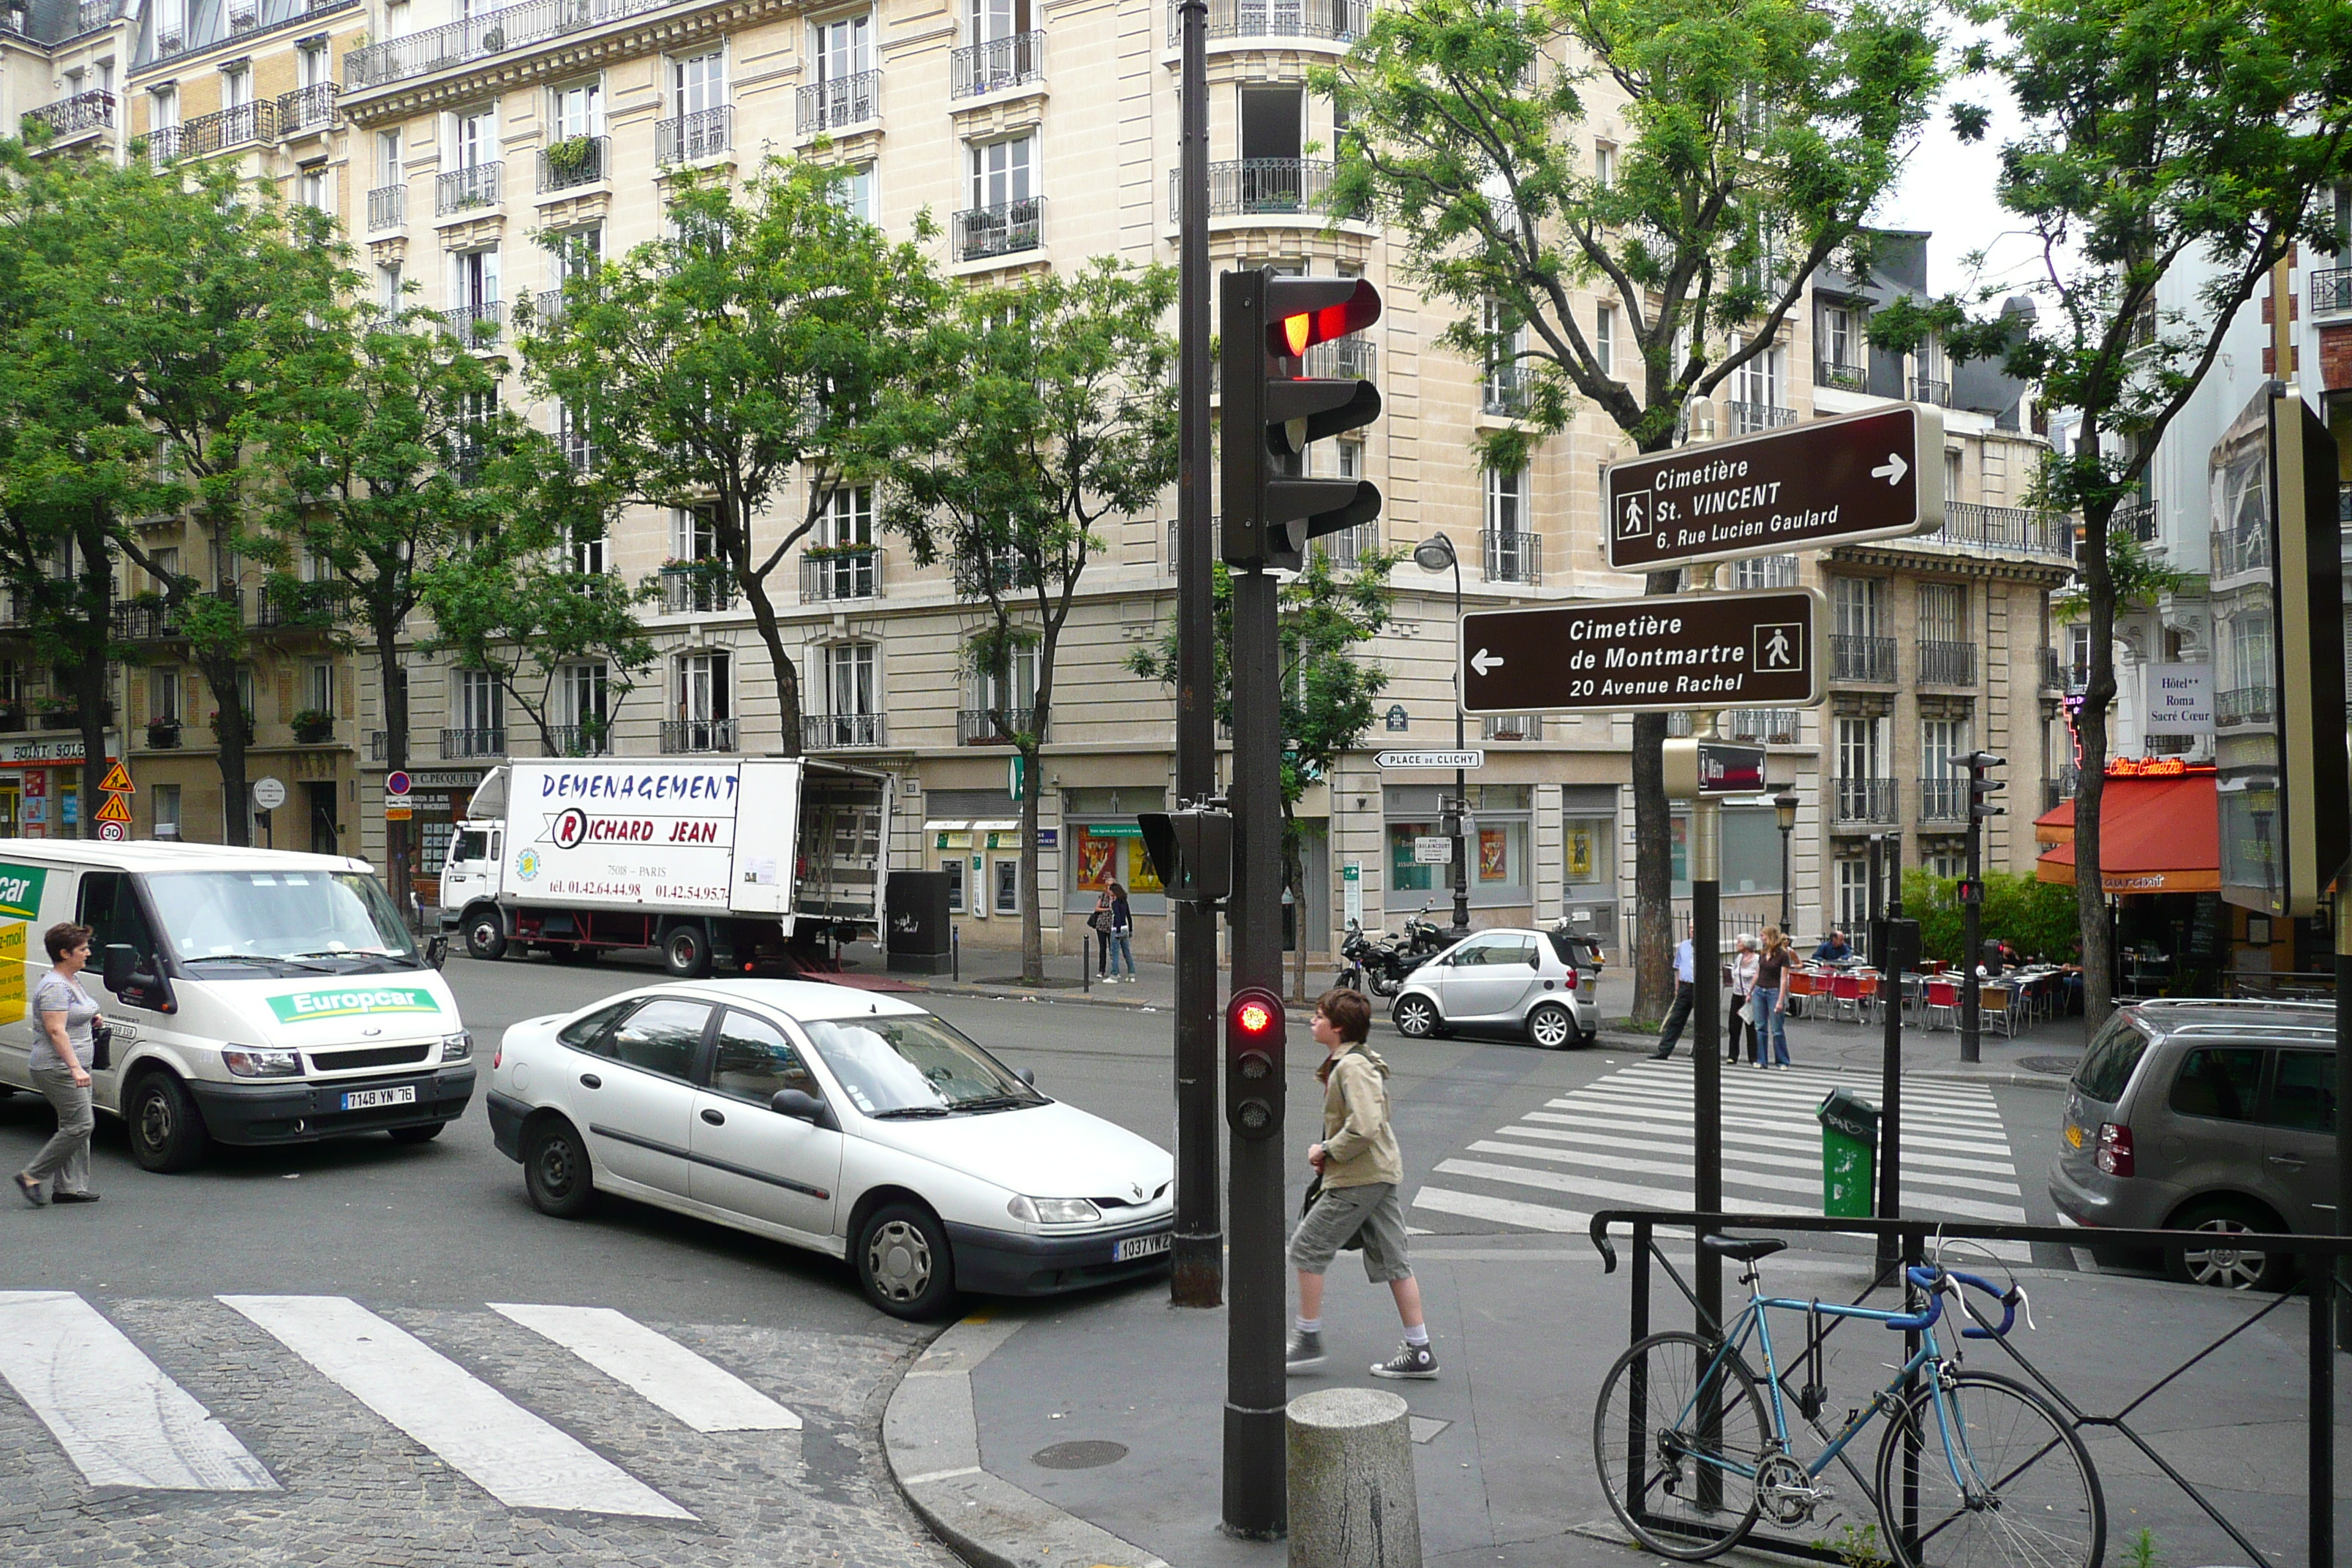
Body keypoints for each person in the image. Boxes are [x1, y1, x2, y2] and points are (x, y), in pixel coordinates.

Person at [1286, 988, 1437, 1381]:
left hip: (1359, 1178)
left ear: (1337, 1027)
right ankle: (1419, 1349)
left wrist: (1327, 1151)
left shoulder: (1352, 1067)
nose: (1312, 1021)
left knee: (1307, 1247)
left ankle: (1307, 1340)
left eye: (1319, 1016)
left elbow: (1366, 1126)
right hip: (1378, 1173)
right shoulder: (1358, 1061)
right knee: (1393, 1260)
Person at [15, 923, 102, 1207]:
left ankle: (70, 1187)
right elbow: (56, 1030)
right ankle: (31, 1175)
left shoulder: (72, 980)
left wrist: (92, 1019)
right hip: (57, 1067)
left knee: (73, 1123)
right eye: (82, 949)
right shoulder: (54, 986)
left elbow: (72, 1016)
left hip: (75, 1065)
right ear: (65, 953)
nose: (88, 953)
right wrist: (75, 1067)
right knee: (81, 1125)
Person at [1651, 921, 1697, 1060]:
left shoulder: (1708, 945)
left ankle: (1698, 1051)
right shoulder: (1684, 946)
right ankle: (1664, 1050)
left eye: (1694, 928)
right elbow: (1678, 969)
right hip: (1685, 986)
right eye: (1690, 928)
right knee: (1675, 1019)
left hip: (1700, 988)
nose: (1691, 931)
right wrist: (1677, 989)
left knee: (1701, 1022)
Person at [1752, 925, 1794, 1068]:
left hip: (1774, 991)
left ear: (1769, 937)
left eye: (1762, 936)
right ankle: (1761, 1060)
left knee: (1777, 1029)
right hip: (1759, 990)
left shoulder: (1783, 955)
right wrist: (1750, 991)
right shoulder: (1763, 952)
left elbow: (1783, 979)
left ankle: (1782, 1060)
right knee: (1760, 1027)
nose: (1760, 938)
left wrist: (1780, 1001)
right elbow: (1758, 973)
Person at [1727, 934, 1760, 1064]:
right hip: (1737, 994)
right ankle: (1732, 1055)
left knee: (1750, 1027)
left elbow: (1758, 977)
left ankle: (1753, 1057)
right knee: (1733, 1026)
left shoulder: (1757, 959)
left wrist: (1751, 992)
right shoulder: (1740, 957)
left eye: (1739, 942)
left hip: (1750, 997)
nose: (1737, 944)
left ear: (1747, 945)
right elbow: (1734, 970)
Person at [1106, 881, 1136, 981]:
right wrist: (1130, 929)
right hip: (1125, 929)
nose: (1109, 892)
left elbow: (1117, 917)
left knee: (1114, 953)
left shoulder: (1115, 903)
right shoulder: (1124, 902)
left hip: (1117, 929)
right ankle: (1132, 974)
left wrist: (1117, 931)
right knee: (1127, 953)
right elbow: (1129, 916)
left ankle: (1114, 975)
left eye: (1110, 890)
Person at [1089, 889, 1115, 978]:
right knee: (1102, 948)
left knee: (1113, 949)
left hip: (1113, 926)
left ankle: (1115, 970)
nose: (1110, 889)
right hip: (1102, 925)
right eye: (1108, 886)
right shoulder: (1102, 896)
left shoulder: (1117, 897)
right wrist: (1107, 909)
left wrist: (1112, 900)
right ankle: (1101, 970)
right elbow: (1097, 908)